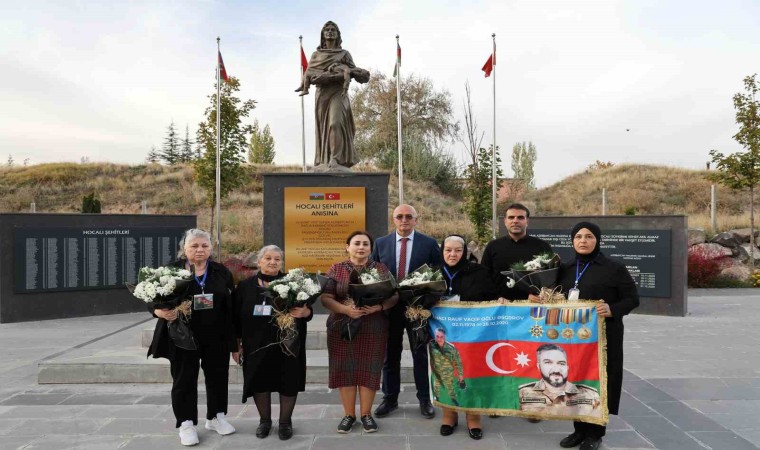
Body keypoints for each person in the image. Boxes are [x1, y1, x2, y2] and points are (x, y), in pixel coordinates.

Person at [146, 228, 237, 447]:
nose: (199, 250)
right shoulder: (171, 271)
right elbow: (150, 295)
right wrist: (157, 311)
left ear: (211, 249)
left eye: (204, 246)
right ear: (184, 248)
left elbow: (230, 308)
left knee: (217, 376)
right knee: (184, 379)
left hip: (215, 335)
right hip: (182, 335)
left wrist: (234, 342)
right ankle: (186, 423)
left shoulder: (220, 272)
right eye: (194, 245)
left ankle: (216, 417)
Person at [556, 222, 639, 450]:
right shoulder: (565, 268)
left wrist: (612, 308)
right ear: (572, 241)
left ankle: (595, 433)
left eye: (589, 236)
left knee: (601, 380)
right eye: (579, 237)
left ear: (597, 240)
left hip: (604, 337)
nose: (583, 241)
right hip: (573, 338)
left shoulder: (614, 268)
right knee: (576, 378)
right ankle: (578, 429)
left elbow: (632, 298)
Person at [231, 245, 312, 441]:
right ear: (258, 261)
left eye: (277, 259)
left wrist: (306, 312)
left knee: (289, 380)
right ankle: (264, 421)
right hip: (255, 344)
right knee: (260, 381)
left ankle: (285, 422)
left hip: (288, 343)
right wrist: (236, 345)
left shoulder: (294, 284)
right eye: (268, 258)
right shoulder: (246, 286)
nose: (272, 262)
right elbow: (234, 317)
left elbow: (307, 311)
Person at [321, 231, 399, 434]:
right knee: (345, 370)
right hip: (341, 327)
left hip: (373, 327)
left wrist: (379, 307)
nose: (361, 247)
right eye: (356, 243)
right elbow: (326, 297)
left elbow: (394, 295)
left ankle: (366, 415)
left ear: (371, 249)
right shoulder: (337, 269)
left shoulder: (380, 269)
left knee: (369, 370)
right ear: (347, 247)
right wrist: (346, 309)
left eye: (365, 244)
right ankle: (349, 415)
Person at [371, 204, 443, 419]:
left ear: (416, 220)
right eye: (399, 216)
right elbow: (373, 274)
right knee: (389, 356)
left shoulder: (429, 244)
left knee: (420, 355)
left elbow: (437, 275)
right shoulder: (381, 243)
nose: (404, 220)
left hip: (417, 309)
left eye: (408, 216)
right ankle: (390, 398)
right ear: (393, 219)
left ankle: (424, 399)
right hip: (390, 309)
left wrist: (425, 301)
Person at [434, 234, 496, 439]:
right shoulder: (433, 272)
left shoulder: (478, 272)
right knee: (444, 374)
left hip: (472, 333)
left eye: (458, 250)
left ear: (465, 252)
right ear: (442, 251)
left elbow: (491, 298)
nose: (452, 254)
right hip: (441, 333)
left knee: (471, 374)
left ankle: (473, 418)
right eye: (448, 250)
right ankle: (449, 416)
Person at [296, 21, 370, 170]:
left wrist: (356, 73)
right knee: (324, 129)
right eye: (327, 30)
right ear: (323, 35)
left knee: (334, 123)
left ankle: (335, 159)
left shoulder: (344, 54)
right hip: (322, 94)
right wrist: (324, 77)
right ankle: (325, 160)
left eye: (333, 30)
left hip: (339, 92)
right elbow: (311, 75)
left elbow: (356, 73)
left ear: (338, 34)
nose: (330, 32)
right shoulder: (316, 55)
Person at [481, 203, 553, 300]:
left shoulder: (542, 247)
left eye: (520, 217)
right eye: (511, 217)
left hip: (532, 304)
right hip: (500, 305)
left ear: (527, 221)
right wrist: (496, 297)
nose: (515, 221)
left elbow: (550, 278)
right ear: (505, 221)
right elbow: (484, 278)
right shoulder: (493, 247)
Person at [518, 344, 601, 416]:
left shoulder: (590, 394)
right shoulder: (523, 393)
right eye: (548, 362)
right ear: (539, 366)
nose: (556, 369)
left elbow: (597, 418)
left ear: (567, 367)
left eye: (561, 363)